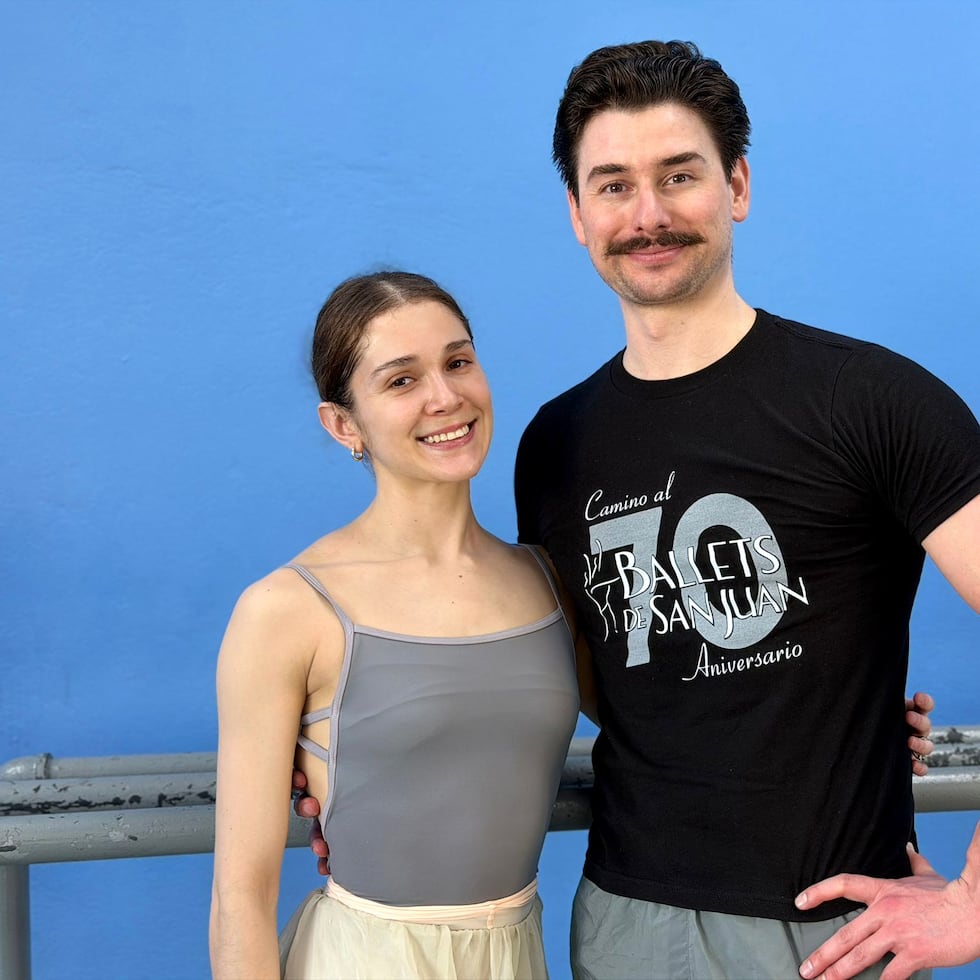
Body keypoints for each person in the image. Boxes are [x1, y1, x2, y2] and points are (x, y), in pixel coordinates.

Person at [511, 39, 980, 980]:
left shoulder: (871, 399)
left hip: (824, 936)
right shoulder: (553, 445)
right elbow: (606, 679)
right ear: (575, 213)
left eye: (678, 176)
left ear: (738, 187)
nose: (647, 215)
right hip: (623, 925)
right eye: (612, 185)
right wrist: (344, 779)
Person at [209, 271, 581, 979]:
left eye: (458, 361)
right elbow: (240, 896)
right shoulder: (287, 609)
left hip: (518, 954)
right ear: (343, 424)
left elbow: (661, 721)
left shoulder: (547, 580)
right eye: (401, 380)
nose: (446, 397)